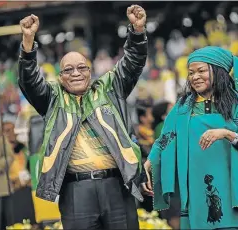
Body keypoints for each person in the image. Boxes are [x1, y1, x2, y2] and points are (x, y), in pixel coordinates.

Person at [18, 5, 148, 229]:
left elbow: (133, 62)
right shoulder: (52, 98)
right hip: (76, 192)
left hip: (116, 185)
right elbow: (29, 80)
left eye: (81, 68)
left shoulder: (109, 89)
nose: (76, 73)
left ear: (90, 71)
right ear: (60, 78)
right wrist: (28, 43)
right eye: (68, 70)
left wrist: (137, 31)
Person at [142, 47, 238, 229]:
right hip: (196, 192)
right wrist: (150, 162)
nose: (195, 77)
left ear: (217, 71)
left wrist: (227, 134)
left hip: (234, 191)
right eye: (191, 73)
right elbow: (165, 139)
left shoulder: (237, 105)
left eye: (201, 71)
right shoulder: (182, 108)